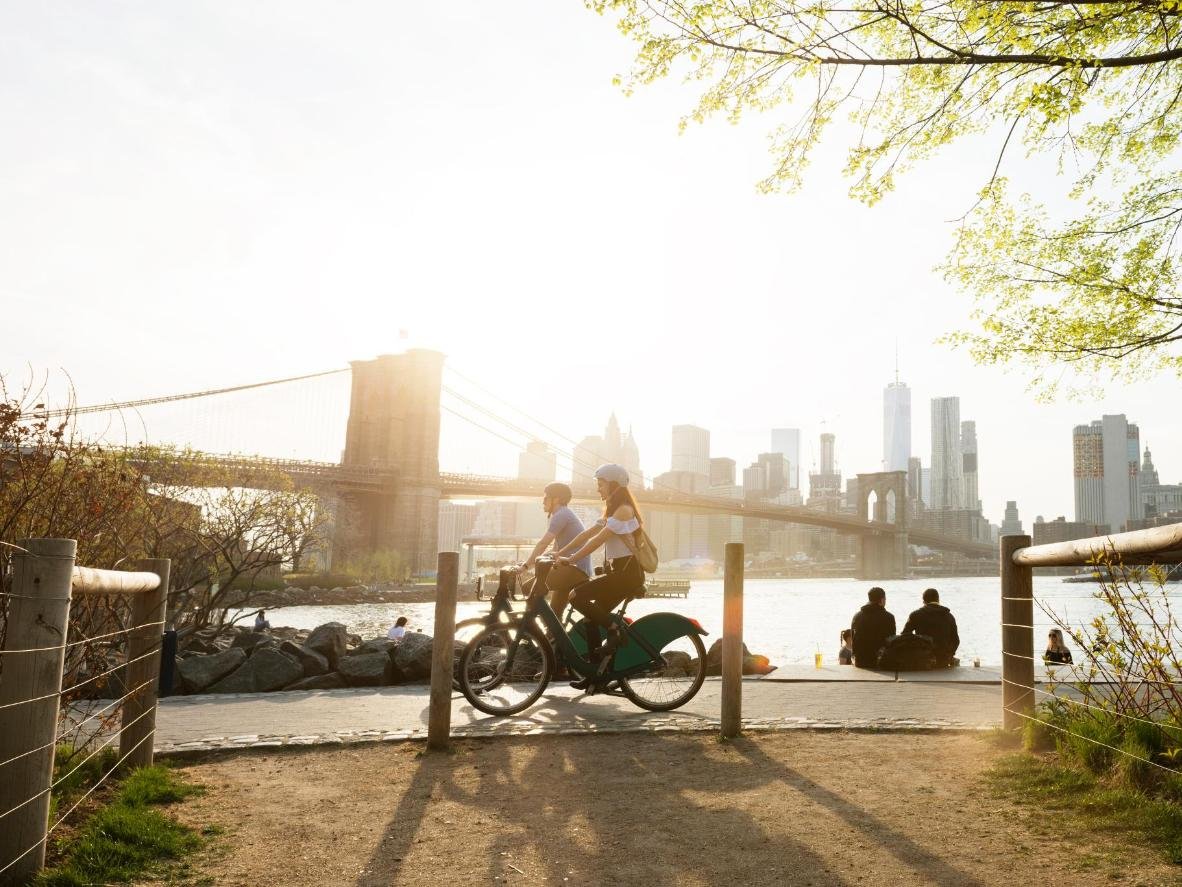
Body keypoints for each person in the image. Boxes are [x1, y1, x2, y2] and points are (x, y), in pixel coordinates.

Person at [555, 463, 646, 689]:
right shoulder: (611, 512)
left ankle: (614, 629)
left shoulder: (624, 510)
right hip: (618, 574)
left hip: (627, 575)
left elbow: (597, 541)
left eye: (601, 484)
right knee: (590, 619)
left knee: (576, 596)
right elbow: (587, 534)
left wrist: (572, 559)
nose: (598, 489)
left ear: (614, 485)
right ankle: (596, 673)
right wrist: (558, 553)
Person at [521, 482, 592, 618]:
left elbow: (543, 544)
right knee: (555, 614)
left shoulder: (561, 515)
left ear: (557, 499)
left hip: (574, 570)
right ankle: (552, 637)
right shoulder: (563, 514)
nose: (543, 501)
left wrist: (525, 566)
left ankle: (529, 629)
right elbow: (554, 550)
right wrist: (530, 562)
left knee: (527, 588)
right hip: (572, 569)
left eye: (546, 497)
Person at [902, 588, 960, 667]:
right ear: (938, 600)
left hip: (922, 660)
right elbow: (956, 640)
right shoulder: (949, 616)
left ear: (924, 601)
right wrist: (949, 654)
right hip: (943, 660)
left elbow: (904, 636)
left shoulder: (915, 615)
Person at [850, 587, 896, 668]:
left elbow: (853, 640)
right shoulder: (888, 617)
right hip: (880, 661)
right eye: (885, 599)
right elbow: (891, 640)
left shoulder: (857, 616)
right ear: (882, 600)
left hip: (860, 661)